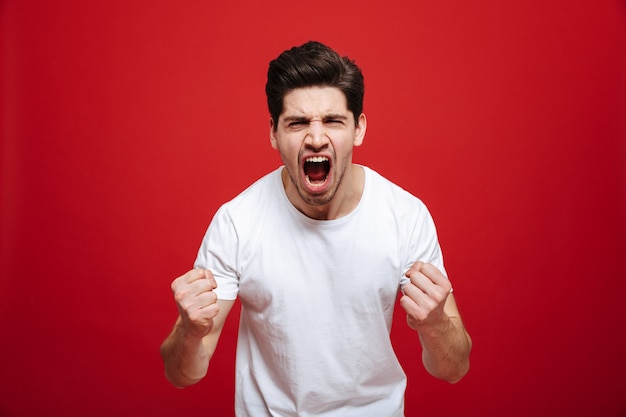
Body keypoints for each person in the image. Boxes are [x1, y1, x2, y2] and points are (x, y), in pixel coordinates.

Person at [160, 40, 472, 417]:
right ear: (274, 133)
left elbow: (453, 368)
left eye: (333, 121)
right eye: (297, 123)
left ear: (358, 128)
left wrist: (436, 323)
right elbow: (182, 374)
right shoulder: (238, 222)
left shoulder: (404, 216)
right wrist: (190, 332)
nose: (316, 137)